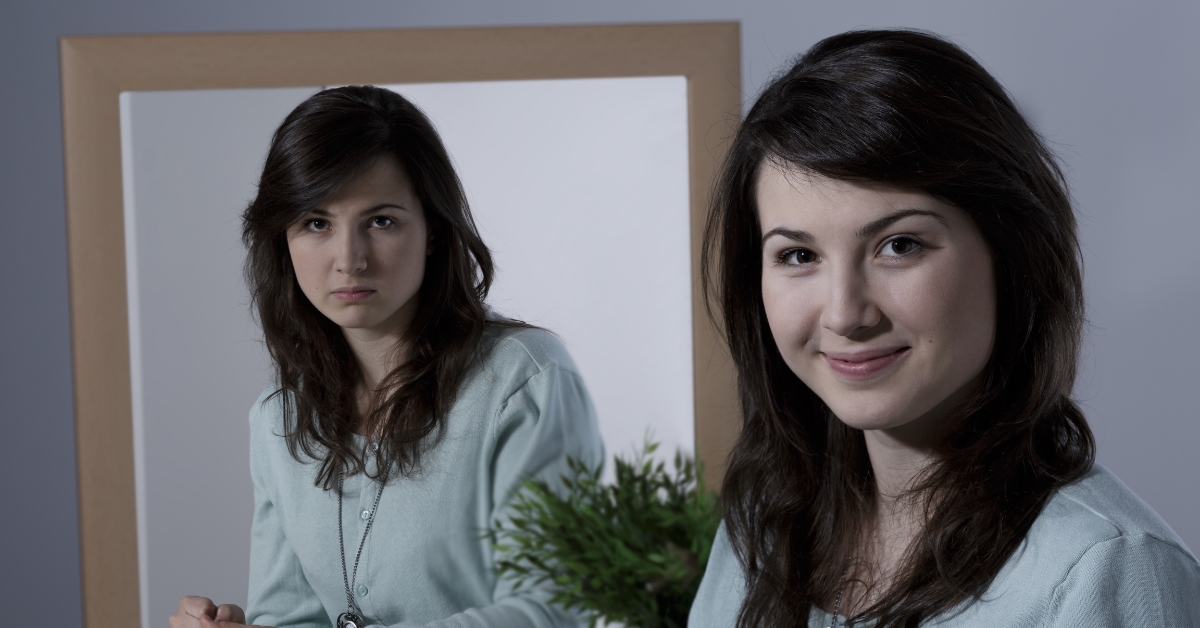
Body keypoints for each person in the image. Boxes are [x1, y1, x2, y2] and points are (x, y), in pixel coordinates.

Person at [689, 29, 1200, 627]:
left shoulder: (1105, 571)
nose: (845, 313)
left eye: (899, 245)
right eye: (798, 256)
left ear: (1011, 256)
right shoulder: (762, 528)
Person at [169, 85, 604, 628]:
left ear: (432, 232)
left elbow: (554, 608)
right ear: (283, 238)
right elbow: (289, 616)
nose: (348, 260)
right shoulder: (277, 419)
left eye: (381, 221)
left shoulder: (524, 380)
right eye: (316, 223)